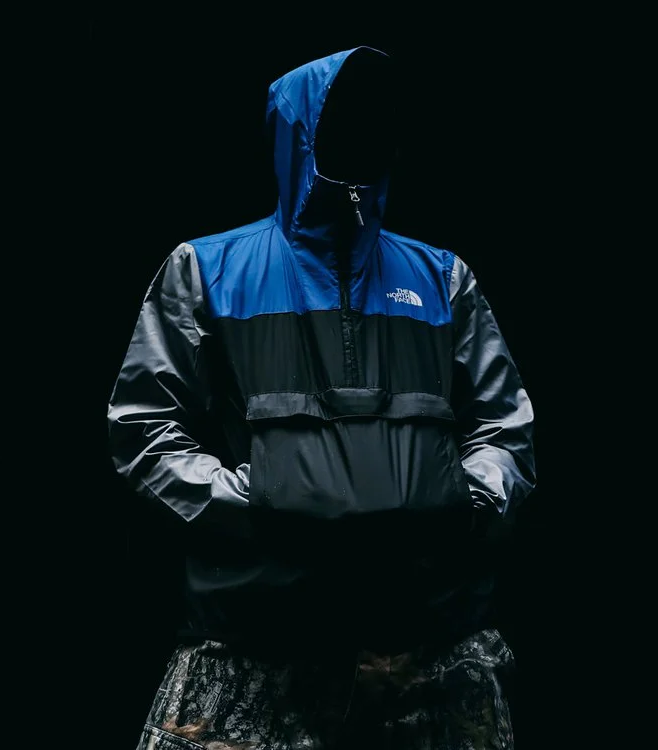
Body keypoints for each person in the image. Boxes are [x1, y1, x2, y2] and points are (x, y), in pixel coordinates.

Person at [107, 46, 535, 749]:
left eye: (375, 118)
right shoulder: (206, 269)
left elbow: (505, 425)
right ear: (298, 133)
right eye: (338, 118)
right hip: (259, 640)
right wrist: (253, 500)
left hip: (429, 640)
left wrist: (462, 498)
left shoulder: (443, 279)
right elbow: (143, 428)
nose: (358, 135)